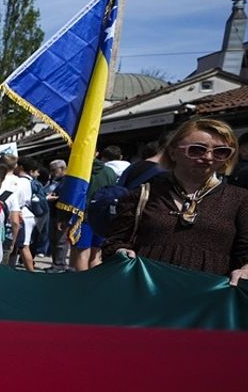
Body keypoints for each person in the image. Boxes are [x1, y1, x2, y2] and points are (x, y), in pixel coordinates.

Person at [104, 118, 247, 285]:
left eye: (221, 152)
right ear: (173, 152)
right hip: (147, 295)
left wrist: (245, 269)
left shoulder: (240, 199)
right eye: (196, 150)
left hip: (208, 301)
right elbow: (114, 243)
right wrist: (121, 252)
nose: (208, 157)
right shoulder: (144, 194)